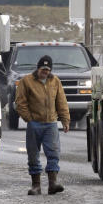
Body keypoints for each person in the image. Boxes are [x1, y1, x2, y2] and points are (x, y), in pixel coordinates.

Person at [15, 55, 70, 195]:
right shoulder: (26, 81)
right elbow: (20, 103)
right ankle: (36, 185)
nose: (45, 72)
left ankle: (53, 183)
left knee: (53, 153)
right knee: (33, 154)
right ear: (38, 68)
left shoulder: (55, 81)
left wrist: (65, 120)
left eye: (48, 69)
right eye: (43, 69)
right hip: (34, 124)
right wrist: (29, 119)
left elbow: (61, 102)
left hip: (51, 124)